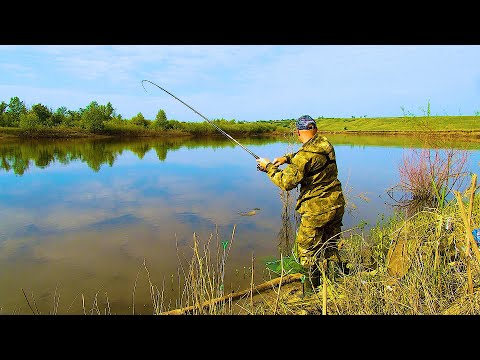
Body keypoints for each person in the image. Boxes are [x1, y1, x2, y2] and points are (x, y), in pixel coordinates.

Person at [256, 115, 345, 294]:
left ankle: (310, 292)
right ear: (315, 129)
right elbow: (306, 155)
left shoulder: (304, 156)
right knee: (330, 245)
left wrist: (268, 167)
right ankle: (337, 282)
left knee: (306, 250)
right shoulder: (325, 143)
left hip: (317, 209)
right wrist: (286, 158)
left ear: (298, 132)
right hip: (336, 204)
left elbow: (286, 183)